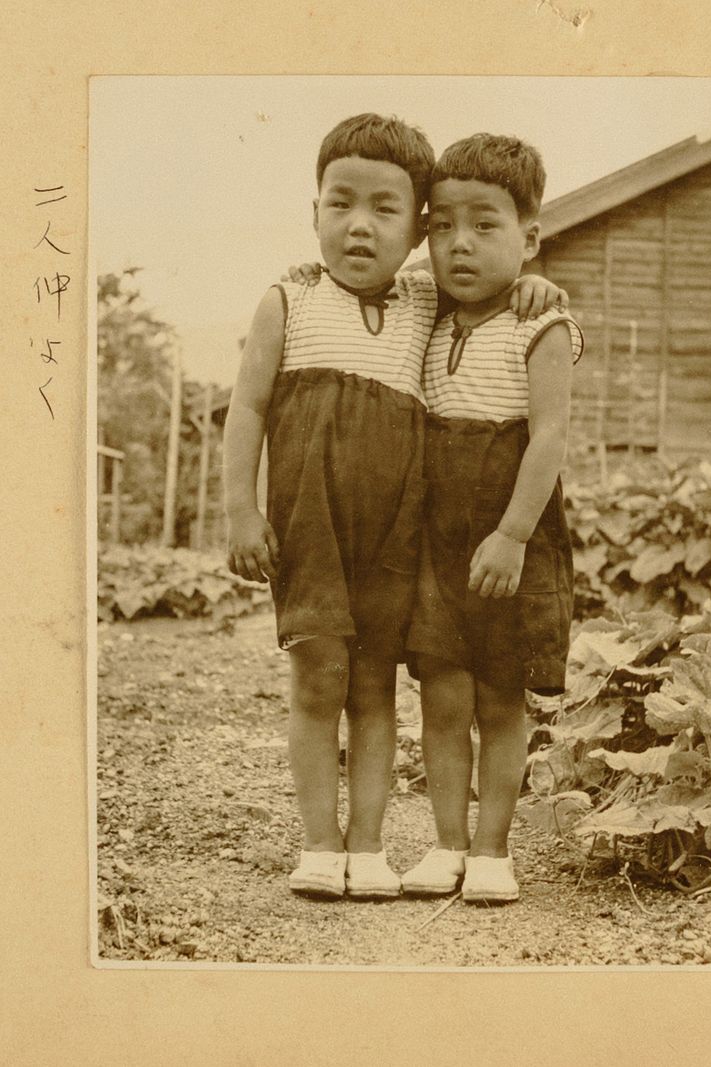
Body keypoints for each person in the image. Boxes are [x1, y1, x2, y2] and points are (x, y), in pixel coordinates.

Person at [223, 114, 566, 901]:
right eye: (339, 203)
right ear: (314, 211)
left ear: (411, 232)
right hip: (312, 523)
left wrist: (539, 283)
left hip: (393, 536)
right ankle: (319, 841)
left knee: (376, 681)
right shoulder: (288, 298)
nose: (357, 226)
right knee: (318, 674)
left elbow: (502, 279)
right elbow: (244, 409)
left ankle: (370, 846)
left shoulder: (423, 299)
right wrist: (240, 510)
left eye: (384, 210)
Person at [402, 133, 584, 904]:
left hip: (511, 536)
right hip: (434, 538)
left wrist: (511, 534)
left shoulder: (541, 326)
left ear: (531, 237)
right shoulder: (429, 313)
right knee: (443, 693)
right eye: (441, 225)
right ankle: (445, 845)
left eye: (485, 224)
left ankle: (492, 851)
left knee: (500, 696)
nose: (460, 244)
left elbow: (548, 437)